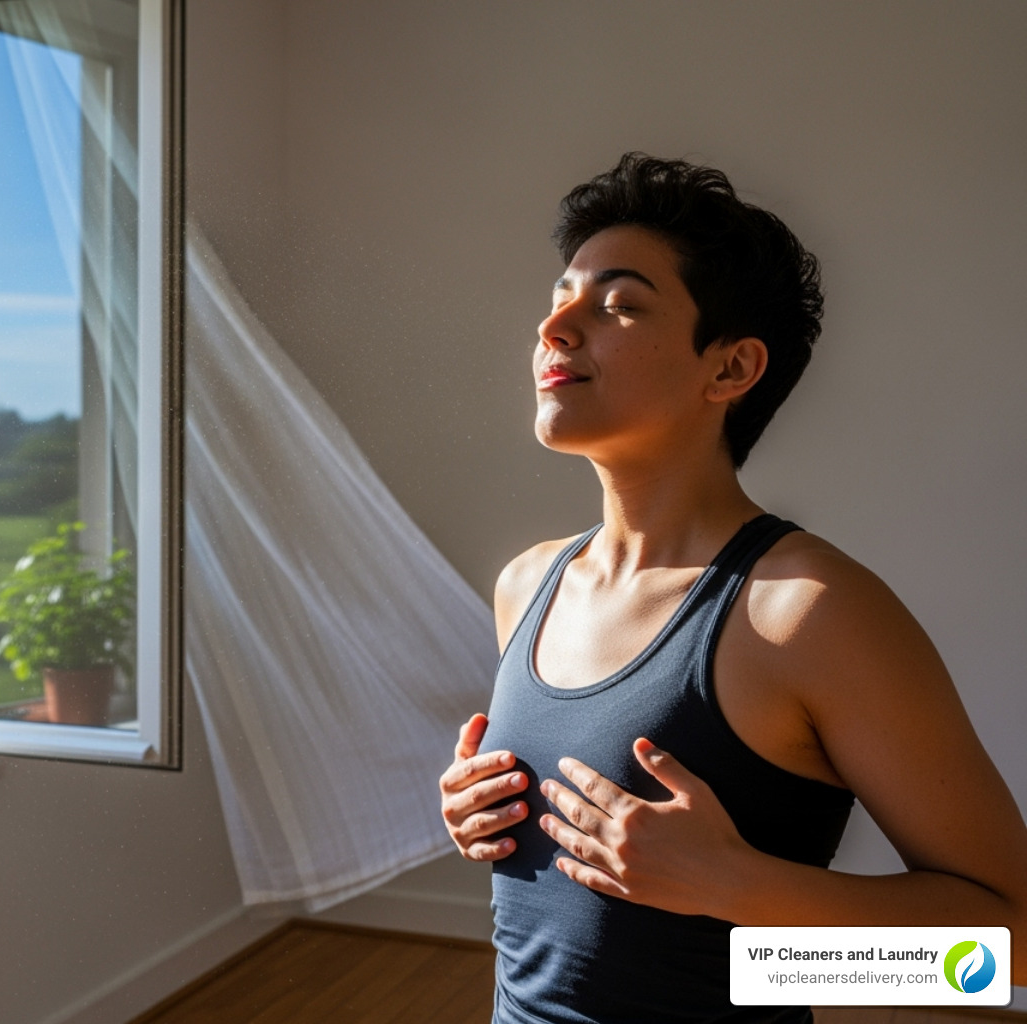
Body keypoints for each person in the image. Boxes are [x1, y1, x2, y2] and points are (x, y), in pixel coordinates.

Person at [437, 153, 1027, 1023]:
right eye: (560, 295)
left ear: (731, 369)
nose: (556, 327)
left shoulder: (808, 612)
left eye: (620, 305)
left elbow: (1003, 951)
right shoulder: (526, 585)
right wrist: (486, 821)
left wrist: (739, 889)